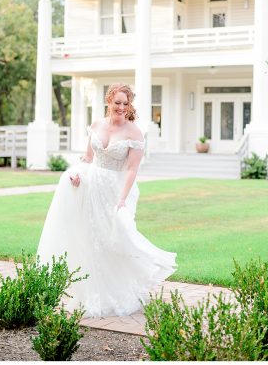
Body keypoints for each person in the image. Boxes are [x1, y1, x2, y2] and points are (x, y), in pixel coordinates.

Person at [37, 83, 176, 318]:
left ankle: (117, 292)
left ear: (129, 105)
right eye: (117, 102)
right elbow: (88, 158)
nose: (121, 107)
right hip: (91, 187)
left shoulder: (135, 132)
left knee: (112, 239)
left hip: (114, 190)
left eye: (125, 103)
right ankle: (91, 292)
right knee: (89, 237)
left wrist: (122, 199)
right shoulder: (97, 125)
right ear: (109, 101)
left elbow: (132, 170)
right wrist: (78, 174)